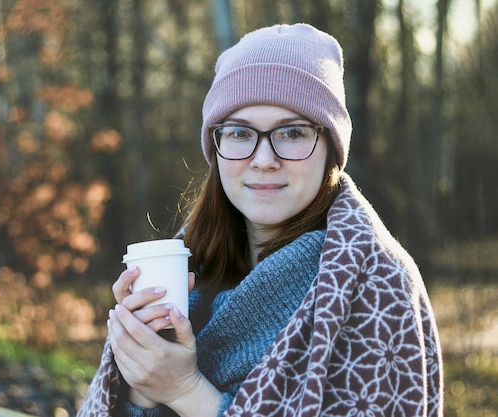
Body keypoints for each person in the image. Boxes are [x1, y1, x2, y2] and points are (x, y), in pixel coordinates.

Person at [78, 23, 443, 417]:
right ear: (216, 147)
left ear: (330, 149)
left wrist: (185, 391)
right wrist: (142, 382)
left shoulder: (376, 285)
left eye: (291, 133)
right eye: (239, 132)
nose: (264, 159)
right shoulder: (187, 271)